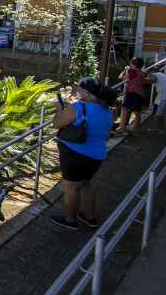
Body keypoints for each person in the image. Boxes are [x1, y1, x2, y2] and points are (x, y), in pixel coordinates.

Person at [50, 77, 118, 230]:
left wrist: (60, 109)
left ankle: (70, 219)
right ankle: (90, 217)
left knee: (72, 187)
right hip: (96, 155)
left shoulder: (79, 108)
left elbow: (57, 123)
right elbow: (106, 132)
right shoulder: (106, 110)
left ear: (86, 92)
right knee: (86, 184)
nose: (77, 93)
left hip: (75, 154)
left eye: (79, 90)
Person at [117, 57, 146, 136]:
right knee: (136, 112)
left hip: (133, 93)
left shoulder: (135, 71)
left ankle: (122, 127)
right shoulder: (141, 72)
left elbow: (122, 78)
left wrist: (125, 70)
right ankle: (135, 130)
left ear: (133, 65)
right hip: (139, 93)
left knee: (124, 107)